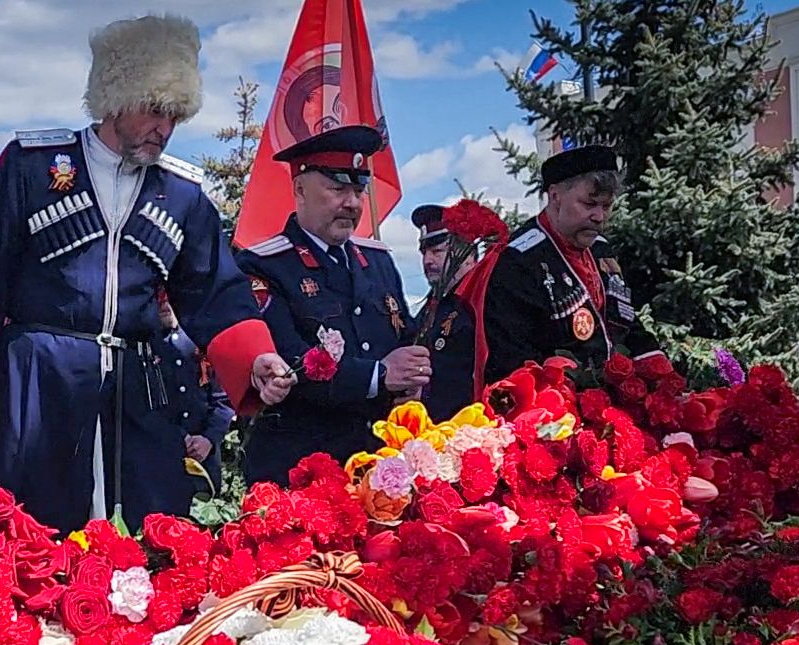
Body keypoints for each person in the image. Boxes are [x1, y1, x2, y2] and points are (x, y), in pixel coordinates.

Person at [0, 13, 293, 532]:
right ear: (115, 96)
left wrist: (258, 358)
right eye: (155, 110)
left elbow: (215, 288)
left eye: (175, 116)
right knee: (29, 538)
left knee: (145, 539)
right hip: (37, 385)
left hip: (139, 390)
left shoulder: (183, 195)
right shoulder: (31, 166)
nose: (164, 129)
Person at [235, 125, 422, 484]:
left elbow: (404, 339)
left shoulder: (377, 261)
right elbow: (287, 362)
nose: (352, 203)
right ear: (300, 190)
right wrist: (379, 375)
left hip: (379, 466)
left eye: (358, 189)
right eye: (337, 188)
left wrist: (414, 374)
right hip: (301, 470)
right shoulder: (262, 265)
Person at [458, 144, 662, 397]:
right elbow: (514, 363)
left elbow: (626, 323)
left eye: (607, 206)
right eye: (589, 204)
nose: (599, 216)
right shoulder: (517, 261)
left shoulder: (601, 250)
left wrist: (661, 373)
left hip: (614, 404)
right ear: (554, 196)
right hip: (553, 412)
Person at [121, 297, 234, 520]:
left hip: (203, 462)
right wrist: (179, 438)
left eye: (169, 299)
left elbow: (223, 399)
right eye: (158, 301)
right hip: (157, 462)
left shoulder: (200, 341)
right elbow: (136, 403)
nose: (164, 306)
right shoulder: (140, 345)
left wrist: (209, 439)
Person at [411, 200, 510, 419]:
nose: (428, 261)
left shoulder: (483, 296)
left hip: (471, 425)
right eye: (424, 253)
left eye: (437, 251)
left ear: (465, 252)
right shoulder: (430, 308)